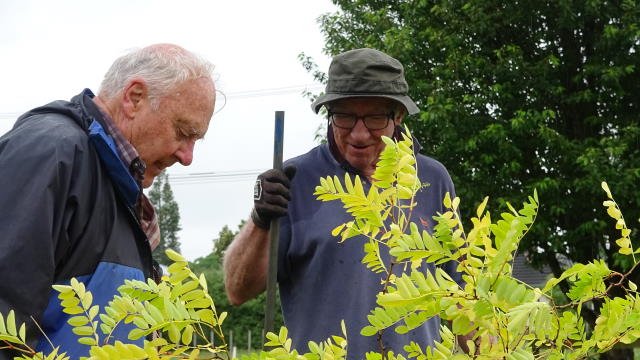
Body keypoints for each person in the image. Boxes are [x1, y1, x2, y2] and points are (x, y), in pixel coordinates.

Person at [224, 48, 462, 359]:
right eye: (345, 117)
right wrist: (260, 219)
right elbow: (237, 290)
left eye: (375, 117)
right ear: (330, 114)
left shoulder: (432, 179)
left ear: (399, 115)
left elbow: (461, 299)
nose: (360, 134)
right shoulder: (295, 180)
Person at [0, 43, 216, 359]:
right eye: (183, 132)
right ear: (134, 98)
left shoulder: (117, 188)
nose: (187, 157)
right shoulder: (53, 153)